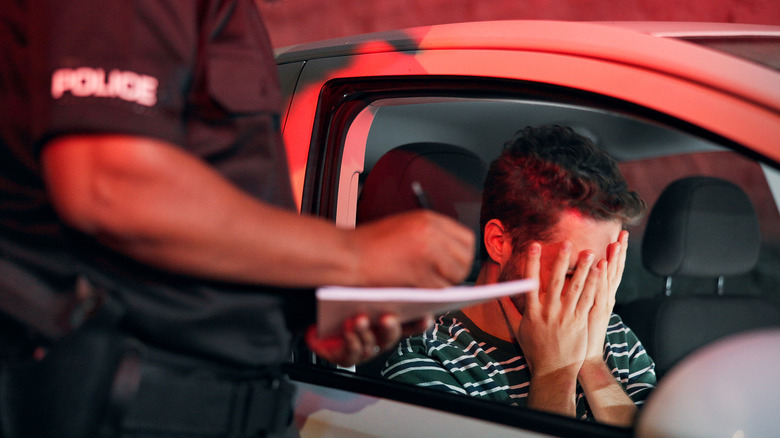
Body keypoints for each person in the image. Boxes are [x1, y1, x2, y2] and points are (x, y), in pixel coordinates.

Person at [0, 1, 474, 437]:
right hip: (125, 404)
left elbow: (206, 208)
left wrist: (306, 309)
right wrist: (357, 254)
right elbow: (109, 183)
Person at [381, 125, 656, 427]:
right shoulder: (427, 365)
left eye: (602, 274)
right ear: (500, 242)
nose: (589, 298)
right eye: (571, 274)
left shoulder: (613, 336)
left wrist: (593, 365)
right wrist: (554, 371)